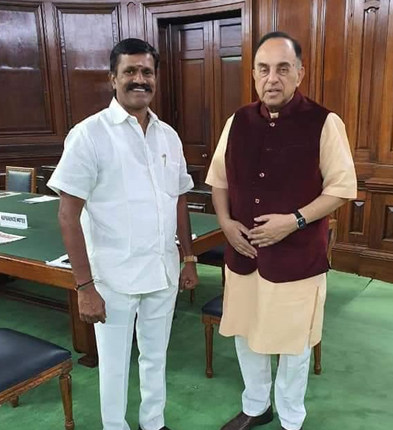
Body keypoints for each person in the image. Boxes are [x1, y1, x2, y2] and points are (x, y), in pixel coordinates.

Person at [206, 31, 357, 430]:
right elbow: (218, 181)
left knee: (293, 344)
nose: (272, 78)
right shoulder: (237, 121)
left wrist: (295, 220)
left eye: (282, 69)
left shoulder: (325, 123)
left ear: (299, 73)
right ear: (254, 75)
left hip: (296, 257)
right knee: (245, 332)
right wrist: (225, 222)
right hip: (243, 255)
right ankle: (257, 406)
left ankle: (291, 419)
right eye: (263, 69)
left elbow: (342, 188)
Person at [48, 38, 198, 430]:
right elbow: (67, 215)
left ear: (155, 79)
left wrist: (188, 258)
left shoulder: (169, 136)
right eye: (129, 71)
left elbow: (179, 199)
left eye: (146, 72)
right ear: (112, 78)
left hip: (162, 271)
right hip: (112, 278)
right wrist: (85, 286)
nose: (139, 79)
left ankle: (153, 422)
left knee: (155, 357)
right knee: (114, 365)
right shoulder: (89, 135)